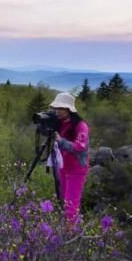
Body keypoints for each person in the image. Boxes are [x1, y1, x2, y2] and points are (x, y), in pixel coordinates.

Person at [50, 92, 90, 224]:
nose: (58, 111)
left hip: (77, 169)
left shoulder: (80, 125)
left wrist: (61, 141)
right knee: (64, 200)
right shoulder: (59, 123)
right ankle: (67, 227)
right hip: (63, 166)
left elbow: (80, 147)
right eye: (56, 108)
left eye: (61, 108)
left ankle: (70, 235)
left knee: (71, 204)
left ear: (69, 109)